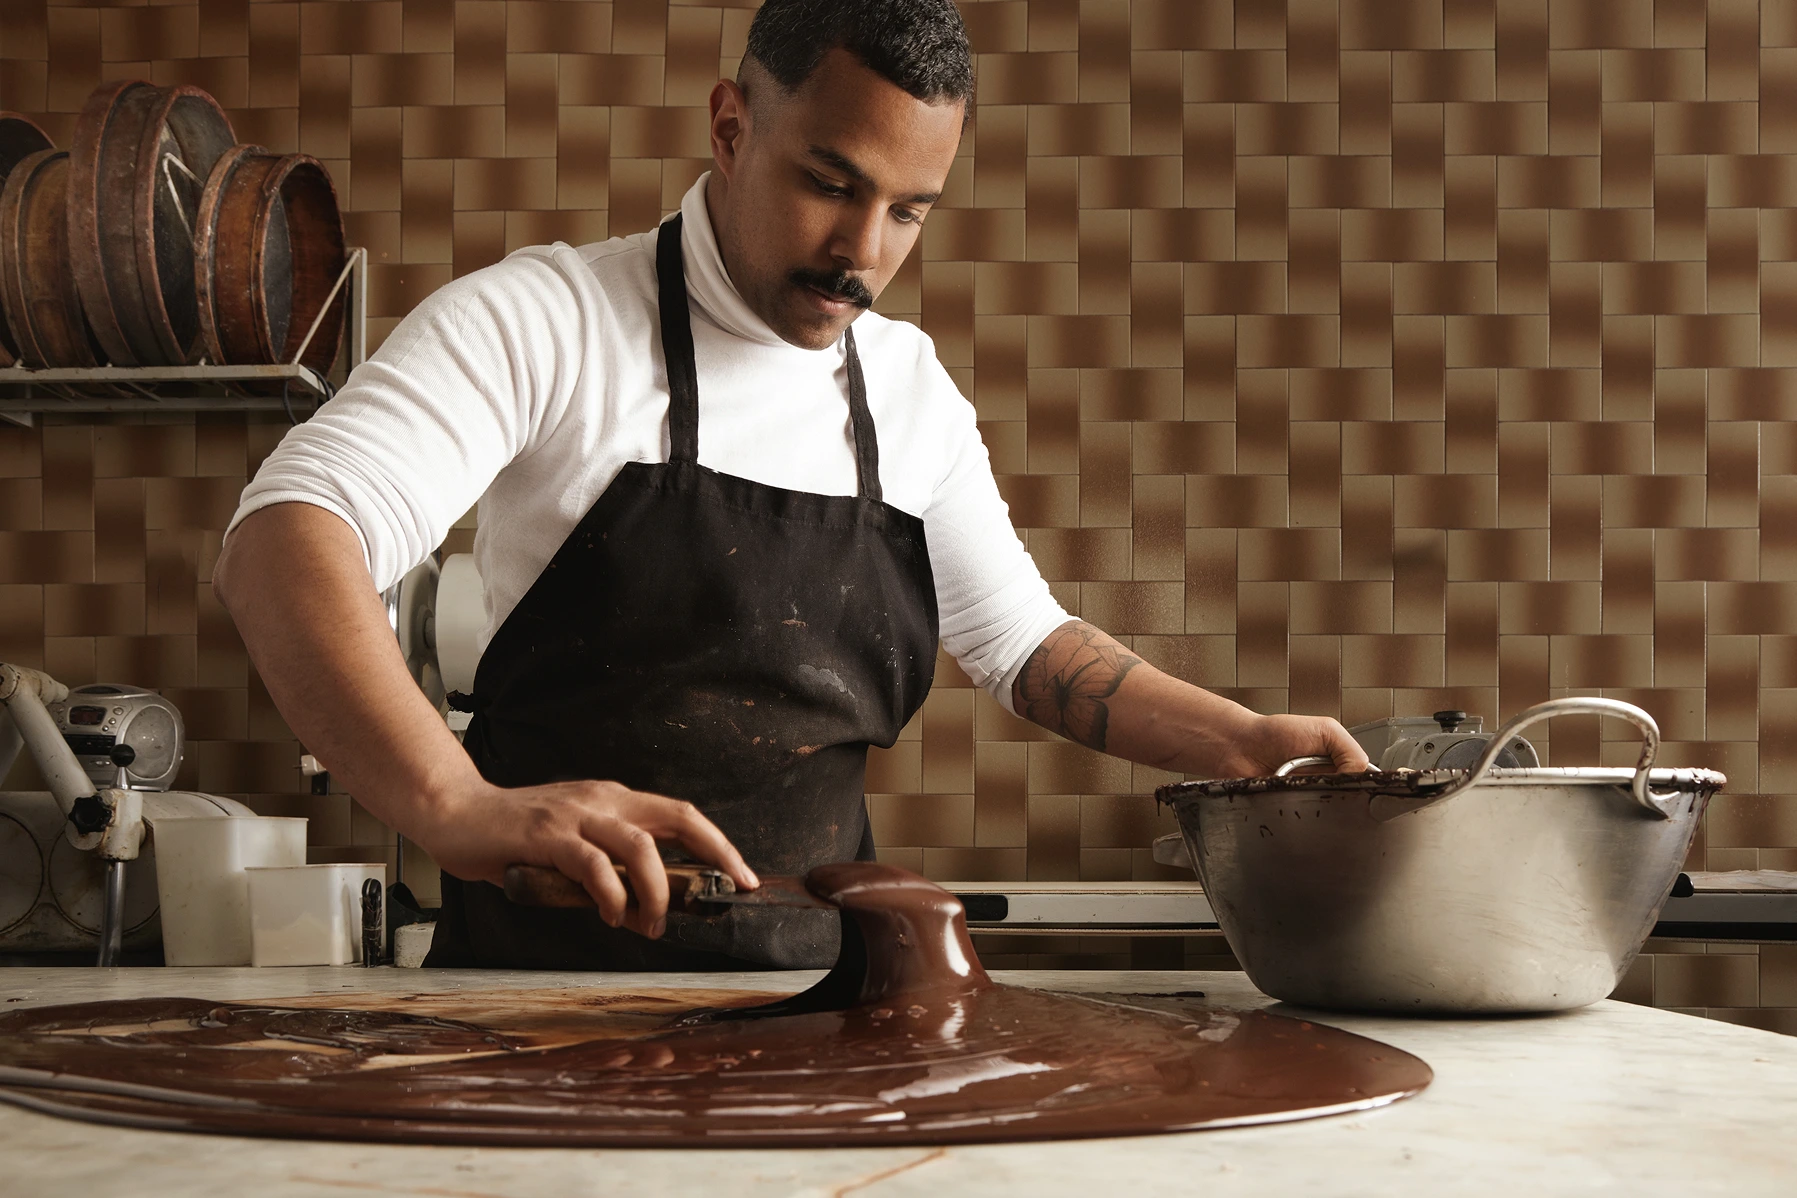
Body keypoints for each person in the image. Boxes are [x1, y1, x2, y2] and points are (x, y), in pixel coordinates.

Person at [213, 0, 1368, 970]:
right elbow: (285, 536)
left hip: (813, 1021)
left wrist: (1241, 741)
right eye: (831, 182)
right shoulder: (548, 321)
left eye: (909, 211)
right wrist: (452, 804)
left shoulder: (908, 392)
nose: (863, 251)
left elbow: (1027, 650)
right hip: (534, 1012)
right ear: (730, 125)